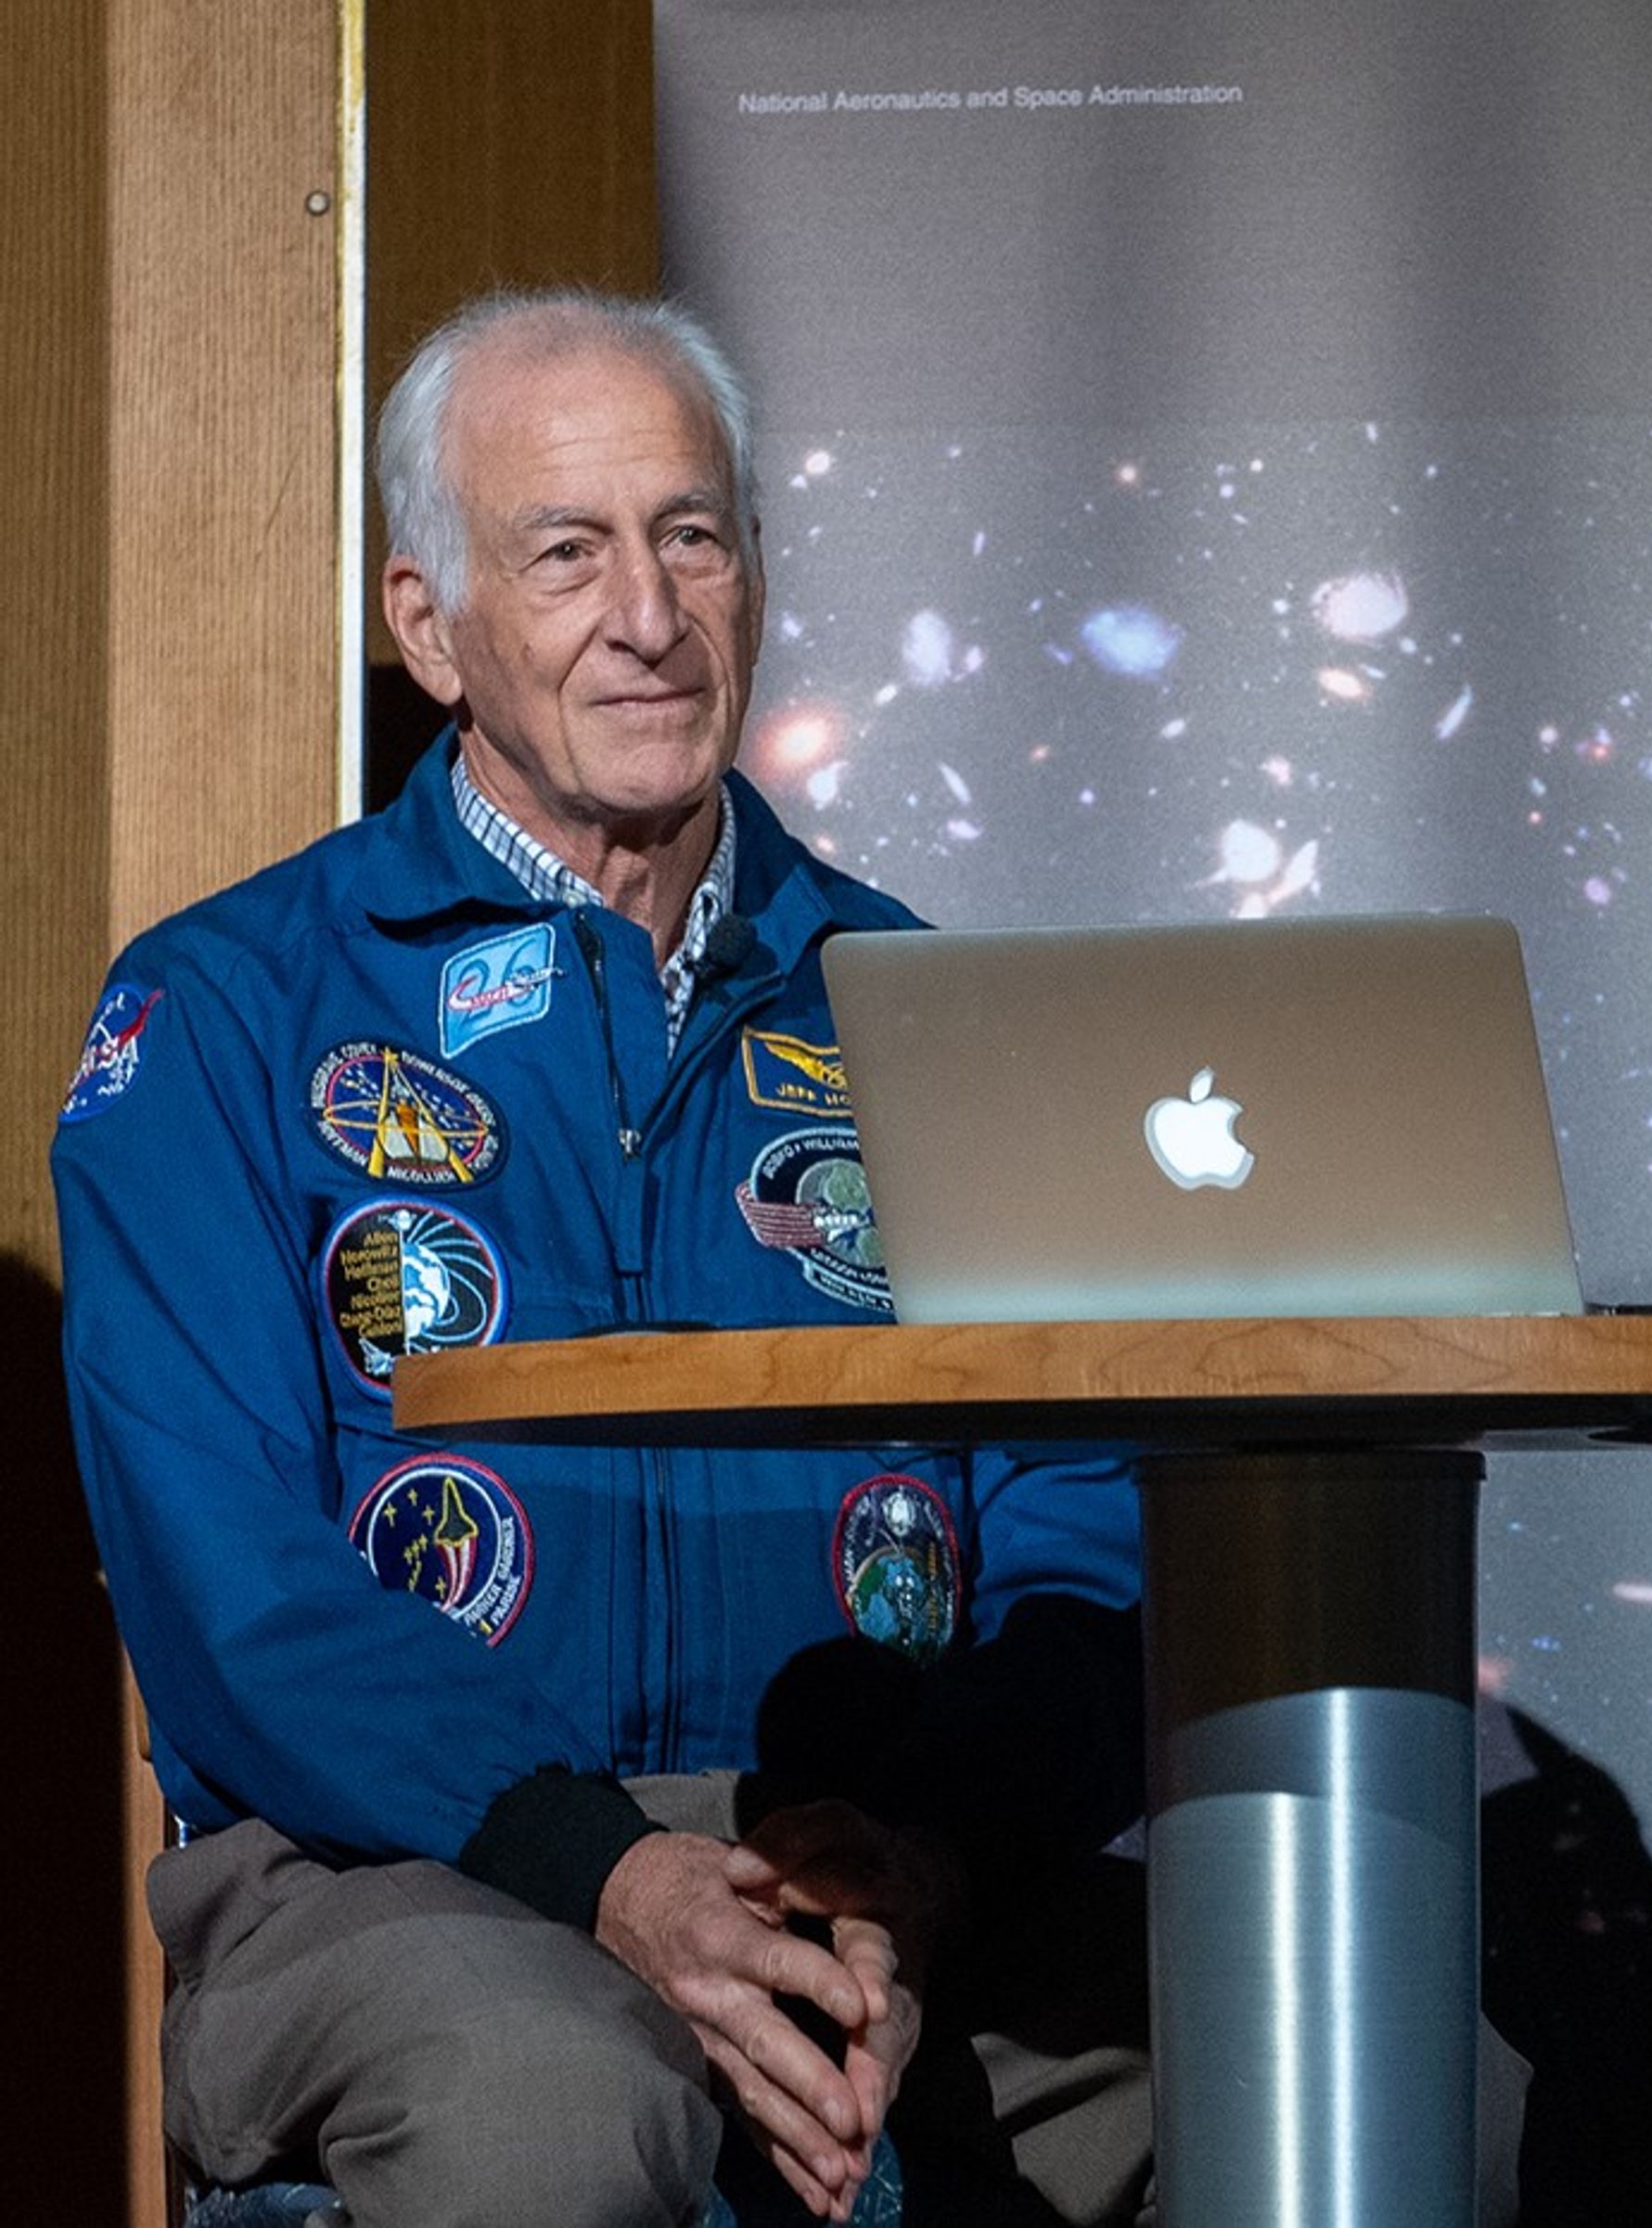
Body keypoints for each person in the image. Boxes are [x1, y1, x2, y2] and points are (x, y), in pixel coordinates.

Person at [56, 289, 1155, 2228]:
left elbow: (1077, 1501)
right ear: (430, 628)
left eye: (693, 536)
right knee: (556, 2103)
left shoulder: (923, 999)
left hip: (863, 1845)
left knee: (1396, 2058)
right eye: (565, 553)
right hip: (391, 1865)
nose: (648, 616)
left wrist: (919, 1859)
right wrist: (608, 1871)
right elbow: (233, 1587)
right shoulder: (226, 1011)